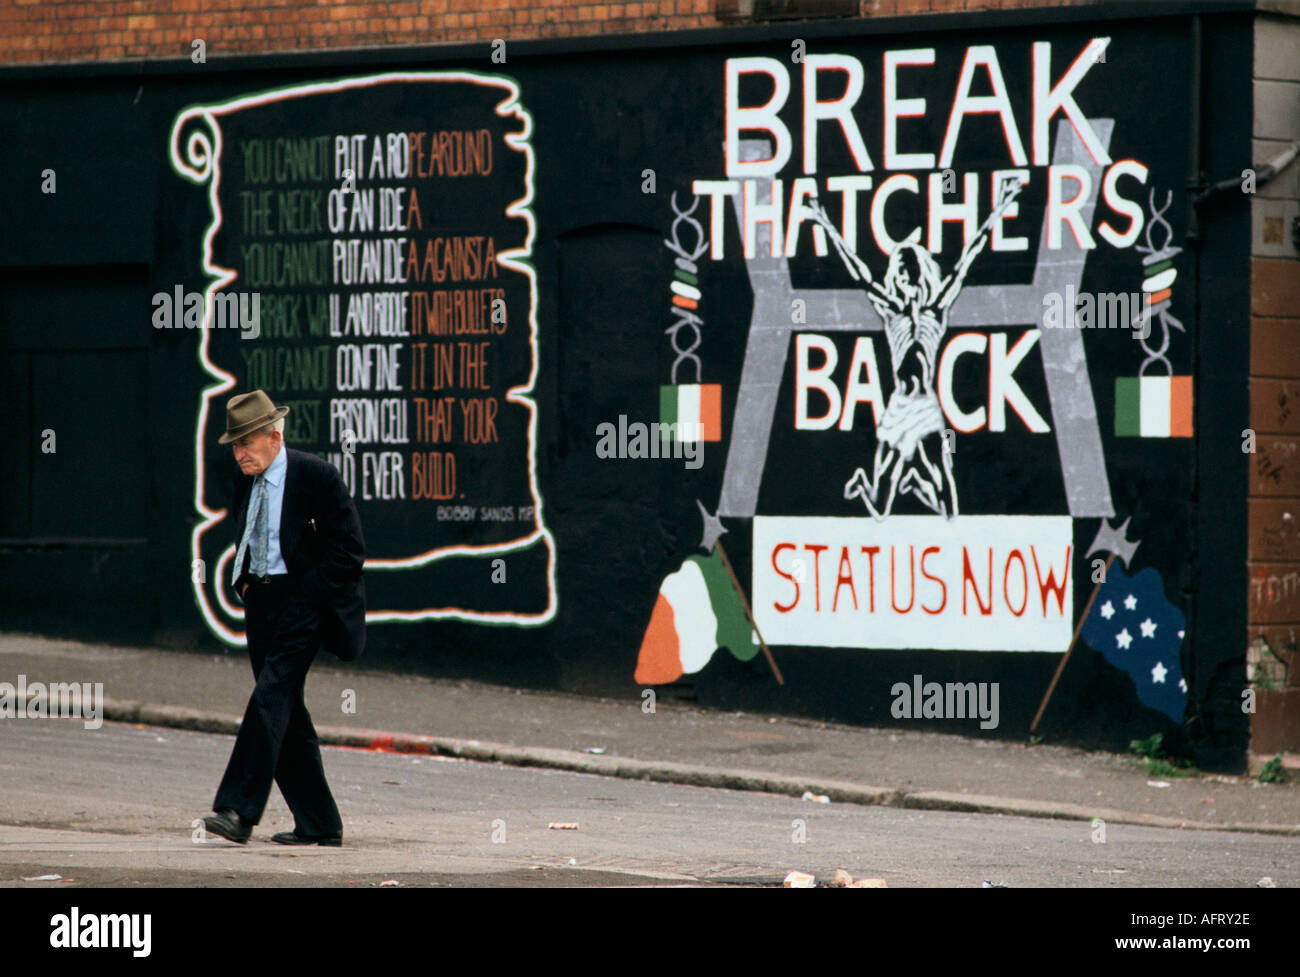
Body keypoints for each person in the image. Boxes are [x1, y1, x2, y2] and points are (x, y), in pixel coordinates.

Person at [199, 389, 366, 846]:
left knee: (270, 695)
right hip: (262, 602)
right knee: (285, 711)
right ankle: (320, 823)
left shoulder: (316, 476)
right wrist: (246, 581)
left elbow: (350, 550)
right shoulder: (245, 478)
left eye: (246, 443)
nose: (239, 454)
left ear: (274, 437)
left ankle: (237, 809)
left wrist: (308, 594)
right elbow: (247, 530)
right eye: (234, 445)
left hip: (304, 605)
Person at [807, 177, 1023, 520]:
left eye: (910, 270)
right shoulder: (890, 311)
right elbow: (860, 273)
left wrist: (1000, 207)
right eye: (900, 271)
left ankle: (919, 486)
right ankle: (868, 481)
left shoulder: (937, 309)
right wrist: (825, 223)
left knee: (950, 505)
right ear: (896, 276)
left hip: (925, 406)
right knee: (880, 508)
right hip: (898, 408)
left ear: (919, 273)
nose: (905, 276)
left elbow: (969, 257)